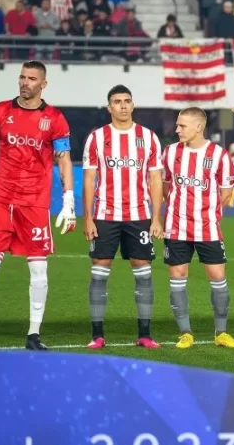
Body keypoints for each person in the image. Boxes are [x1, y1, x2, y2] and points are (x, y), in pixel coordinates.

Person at [0, 60, 76, 350]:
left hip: (35, 202)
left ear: (43, 84)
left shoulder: (55, 118)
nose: (25, 82)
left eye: (32, 78)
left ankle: (33, 334)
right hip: (2, 198)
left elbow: (63, 159)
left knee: (38, 269)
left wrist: (68, 201)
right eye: (23, 77)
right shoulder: (1, 111)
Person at [82, 85, 164, 349]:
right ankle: (97, 335)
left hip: (139, 215)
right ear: (109, 108)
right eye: (117, 101)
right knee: (99, 270)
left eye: (127, 100)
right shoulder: (97, 138)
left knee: (143, 272)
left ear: (133, 104)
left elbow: (155, 178)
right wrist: (87, 217)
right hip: (105, 214)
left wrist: (156, 217)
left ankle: (145, 334)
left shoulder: (148, 137)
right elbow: (89, 178)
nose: (123, 105)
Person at [162, 107, 234, 350]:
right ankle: (185, 333)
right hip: (176, 227)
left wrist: (208, 212)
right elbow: (165, 186)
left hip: (208, 228)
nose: (177, 130)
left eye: (182, 126)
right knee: (177, 277)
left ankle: (221, 333)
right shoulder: (170, 152)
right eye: (177, 125)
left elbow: (226, 193)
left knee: (218, 277)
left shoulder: (219, 155)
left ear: (198, 127)